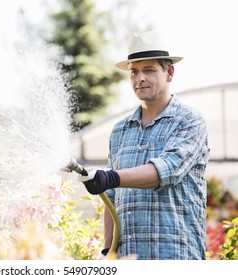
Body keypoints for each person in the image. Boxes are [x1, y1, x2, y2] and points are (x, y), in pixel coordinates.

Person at [80, 31, 210, 260]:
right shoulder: (120, 130)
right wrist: (108, 251)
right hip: (129, 260)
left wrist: (111, 177)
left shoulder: (189, 122)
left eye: (148, 70)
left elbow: (165, 171)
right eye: (134, 71)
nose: (139, 78)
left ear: (169, 72)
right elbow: (111, 197)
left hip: (177, 258)